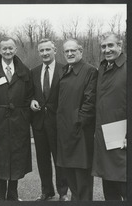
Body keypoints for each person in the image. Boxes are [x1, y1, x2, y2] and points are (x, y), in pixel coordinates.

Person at [0, 37, 33, 201]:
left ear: (15, 49)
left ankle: (13, 194)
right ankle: (1, 195)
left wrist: (25, 117)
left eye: (11, 48)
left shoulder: (24, 71)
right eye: (4, 49)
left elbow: (30, 96)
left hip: (18, 122)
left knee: (16, 158)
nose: (8, 52)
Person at [56, 39, 98, 200]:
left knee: (83, 176)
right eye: (66, 51)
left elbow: (90, 101)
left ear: (81, 51)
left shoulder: (89, 71)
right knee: (70, 173)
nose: (70, 54)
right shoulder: (66, 70)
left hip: (80, 132)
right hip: (65, 131)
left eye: (73, 50)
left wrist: (78, 121)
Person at [30, 39, 68, 201]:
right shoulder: (33, 72)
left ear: (55, 50)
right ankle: (47, 191)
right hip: (39, 123)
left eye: (48, 50)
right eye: (42, 50)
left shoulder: (64, 70)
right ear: (39, 52)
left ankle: (63, 192)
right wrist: (31, 100)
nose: (45, 53)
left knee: (60, 159)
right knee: (42, 159)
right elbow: (29, 93)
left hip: (58, 122)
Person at [92, 32, 126, 200]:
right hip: (104, 137)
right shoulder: (102, 69)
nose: (107, 50)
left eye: (111, 45)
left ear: (120, 46)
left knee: (125, 187)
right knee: (110, 190)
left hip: (123, 140)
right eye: (104, 46)